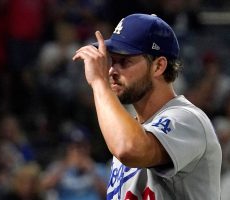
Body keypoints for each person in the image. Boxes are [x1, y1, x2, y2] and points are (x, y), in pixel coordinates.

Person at [72, 13, 222, 200]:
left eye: (125, 61)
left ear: (158, 66)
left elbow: (129, 148)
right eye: (113, 61)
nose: (111, 71)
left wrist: (99, 83)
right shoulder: (129, 131)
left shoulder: (188, 119)